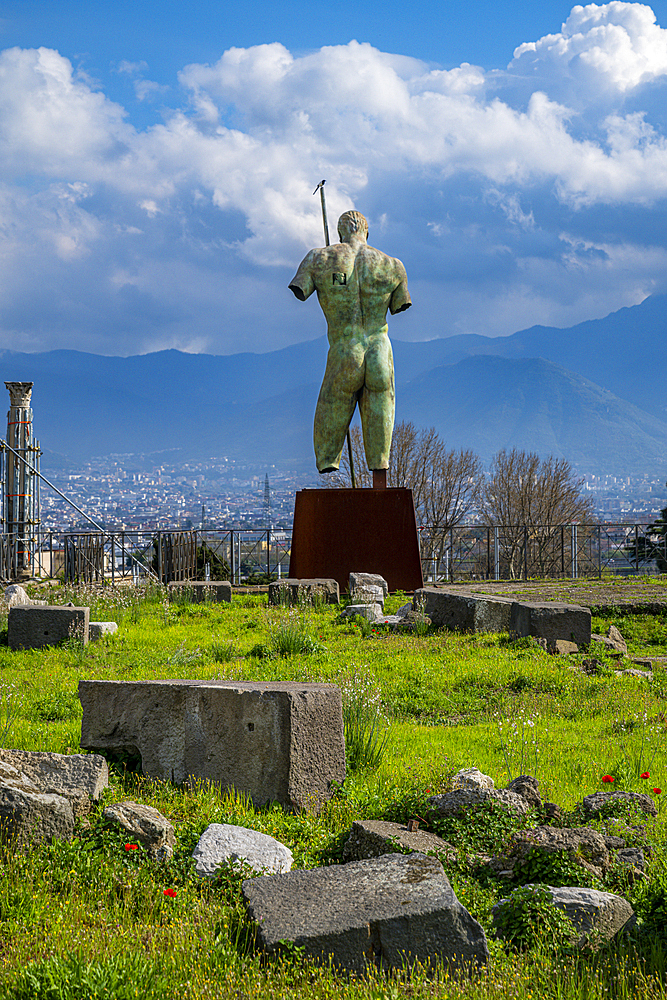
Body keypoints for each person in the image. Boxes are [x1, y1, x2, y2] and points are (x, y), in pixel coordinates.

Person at [289, 210, 411, 481]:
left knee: (331, 403)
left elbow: (301, 289)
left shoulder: (319, 258)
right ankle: (380, 464)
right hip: (380, 350)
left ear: (340, 232)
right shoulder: (393, 265)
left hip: (345, 350)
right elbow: (400, 304)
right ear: (366, 232)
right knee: (382, 407)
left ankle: (328, 459)